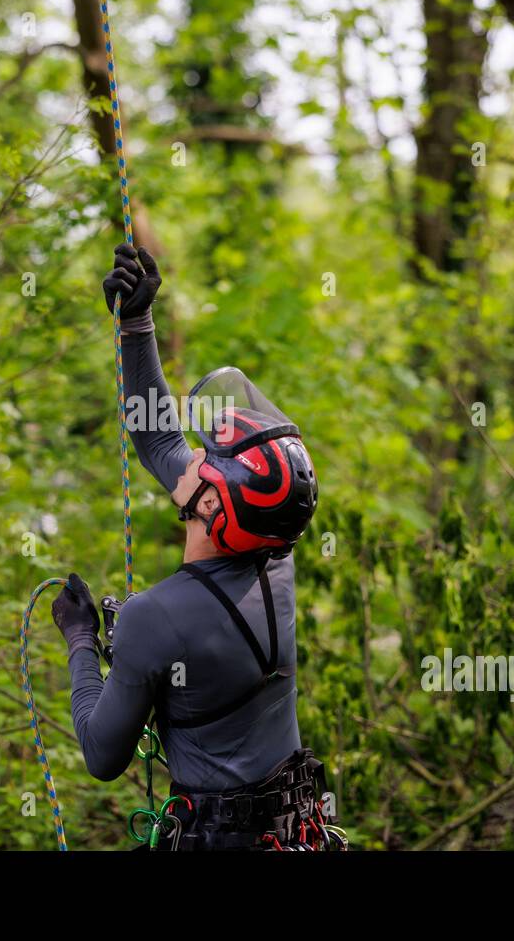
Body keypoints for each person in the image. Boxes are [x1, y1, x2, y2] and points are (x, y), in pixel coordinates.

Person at [50, 243, 341, 851]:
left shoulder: (152, 617)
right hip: (295, 836)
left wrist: (81, 641)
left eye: (209, 463)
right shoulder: (276, 559)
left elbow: (102, 755)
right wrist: (137, 323)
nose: (193, 460)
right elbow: (157, 436)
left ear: (211, 506)